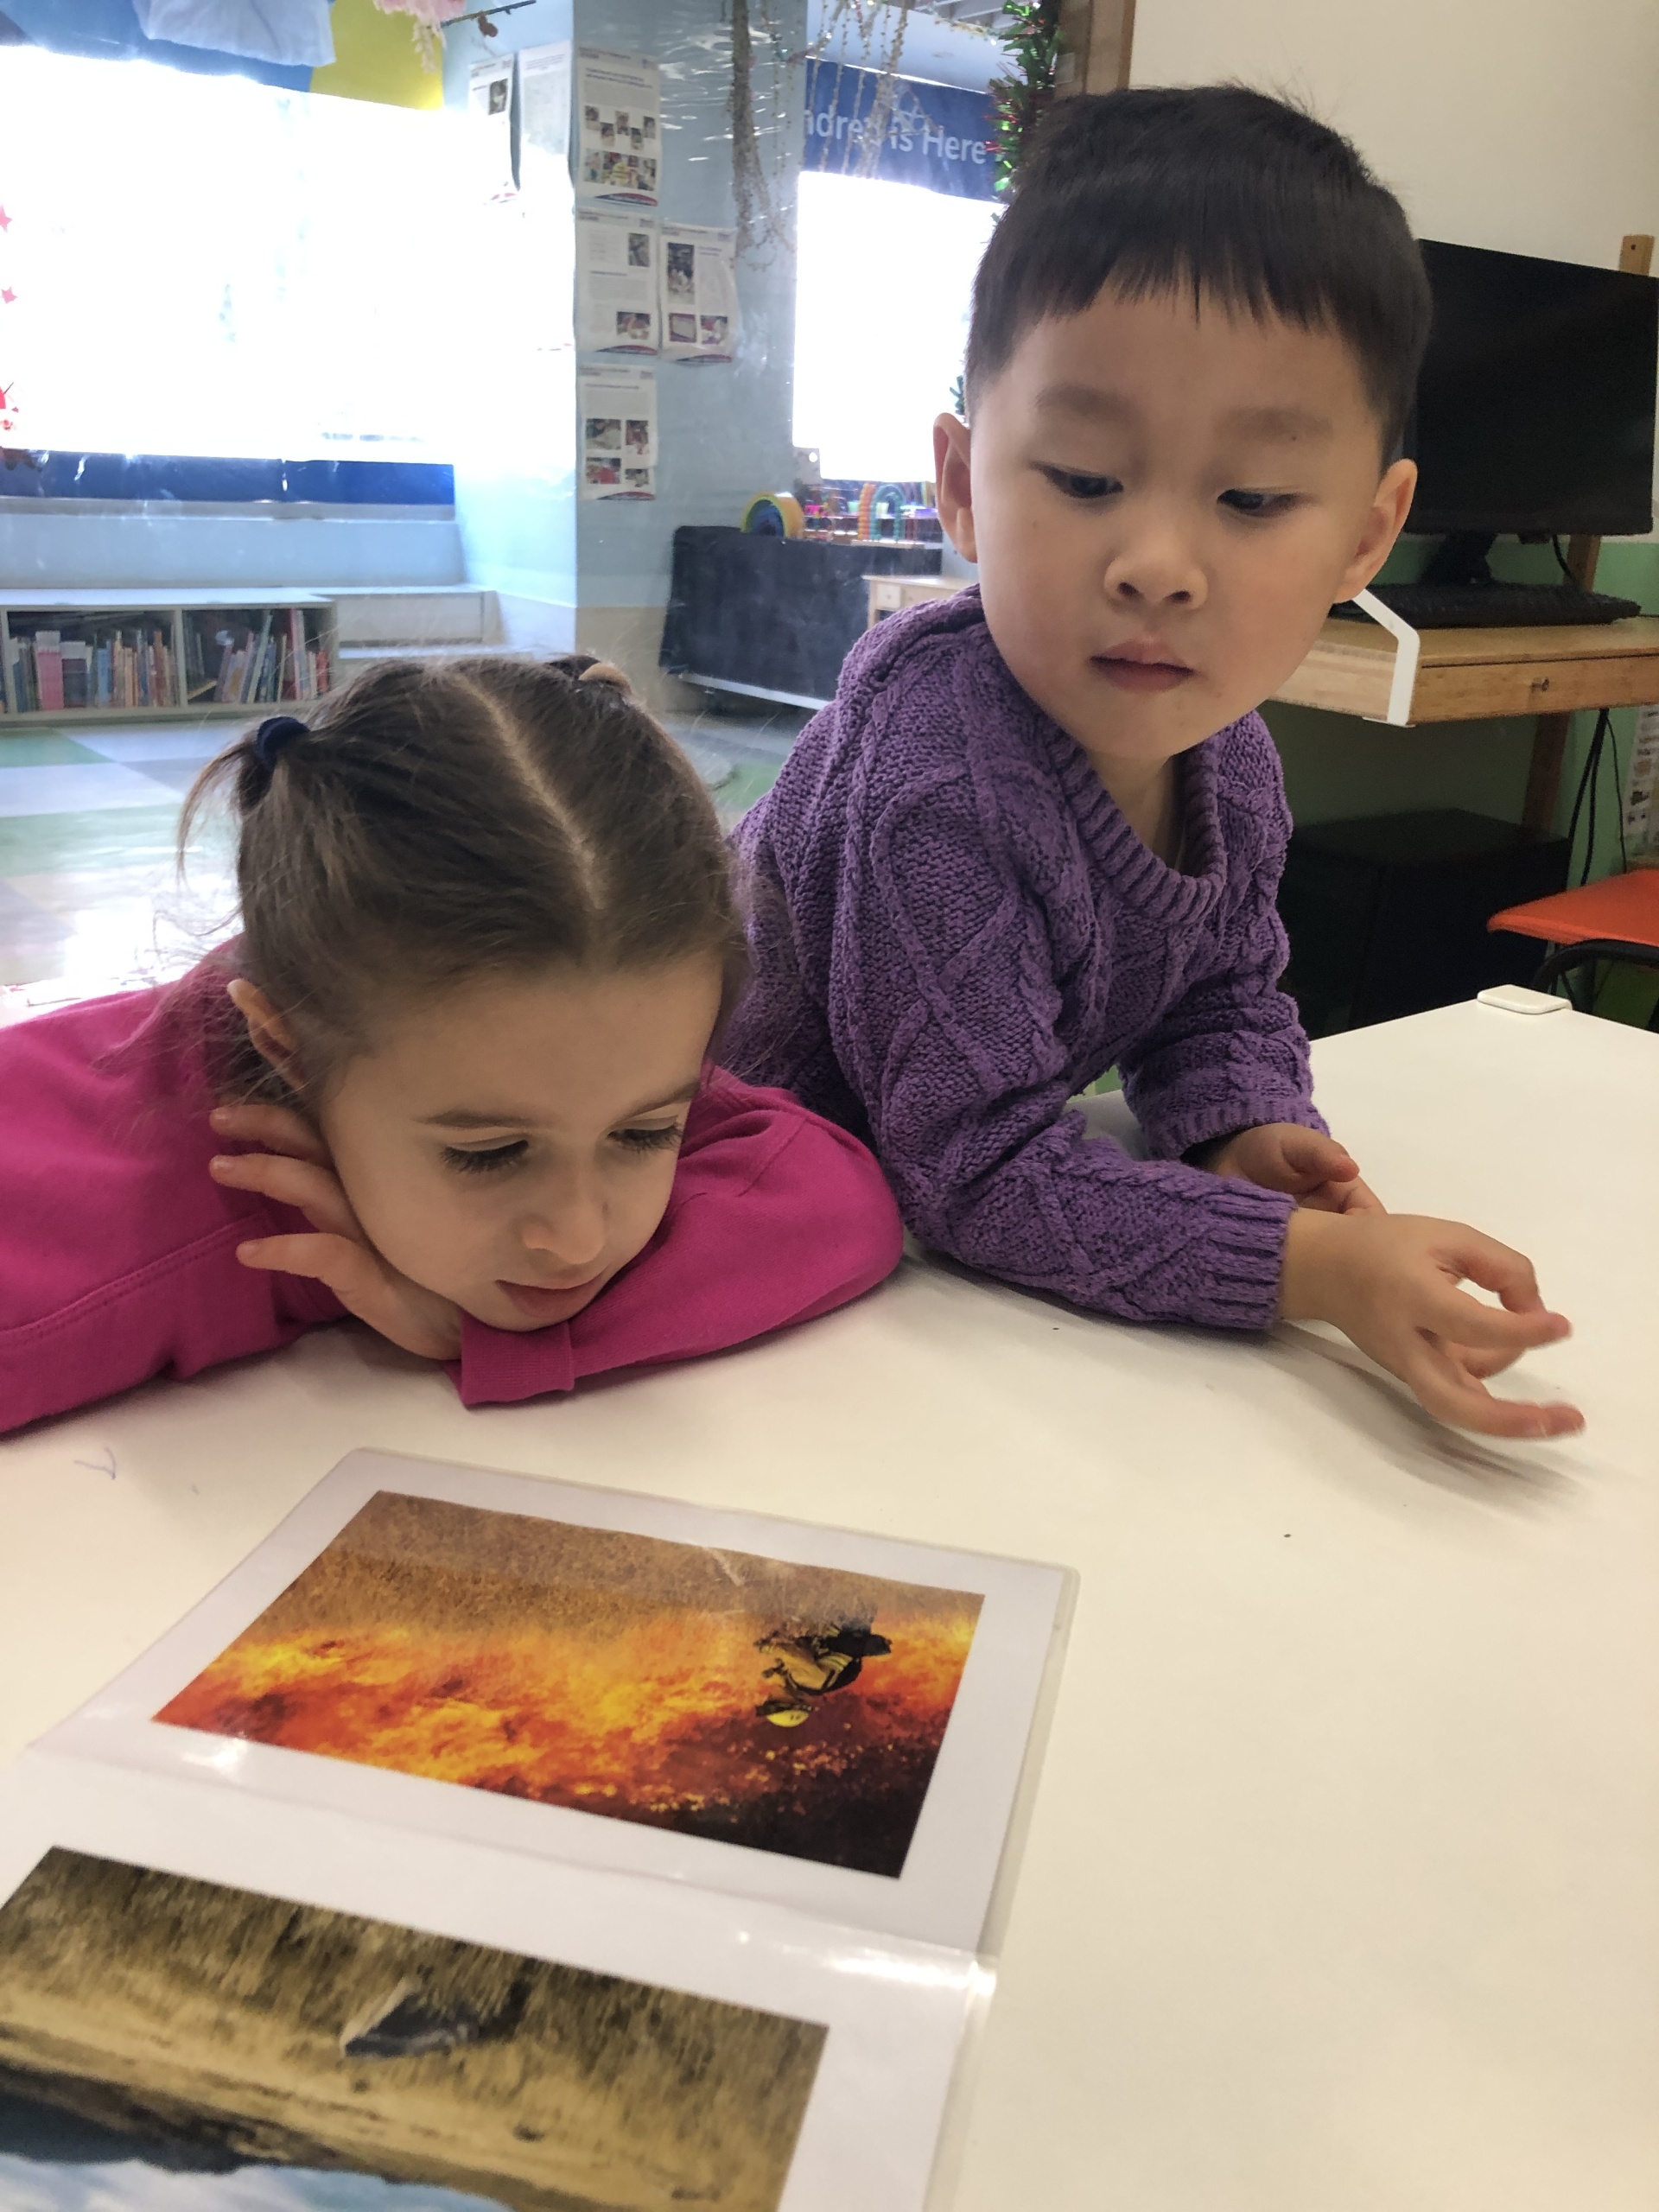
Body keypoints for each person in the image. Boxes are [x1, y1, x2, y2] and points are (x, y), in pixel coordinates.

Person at [724, 87, 1580, 1441]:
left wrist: (1242, 1127)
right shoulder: (937, 777)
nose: (1159, 566)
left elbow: (1215, 993)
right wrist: (1312, 1268)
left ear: (1368, 535)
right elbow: (973, 1172)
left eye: (1251, 499)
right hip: (703, 1167)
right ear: (962, 483)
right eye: (1081, 477)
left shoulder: (1229, 761)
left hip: (914, 1266)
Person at [0, 656, 902, 1436]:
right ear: (287, 1049)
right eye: (491, 1154)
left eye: (643, 1134)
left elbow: (835, 1198)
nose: (577, 1238)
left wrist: (480, 1333)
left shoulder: (540, 1048)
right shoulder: (127, 1244)